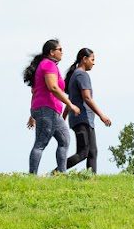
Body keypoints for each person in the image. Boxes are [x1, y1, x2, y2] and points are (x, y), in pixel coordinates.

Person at [23, 39, 80, 174]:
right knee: (40, 143)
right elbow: (53, 87)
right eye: (59, 49)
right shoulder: (48, 65)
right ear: (52, 52)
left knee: (64, 139)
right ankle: (32, 176)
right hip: (47, 110)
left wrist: (33, 115)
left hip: (48, 110)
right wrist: (70, 104)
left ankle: (61, 174)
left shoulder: (45, 65)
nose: (62, 52)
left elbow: (36, 91)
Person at [64, 48, 112, 173]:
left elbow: (71, 99)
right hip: (82, 118)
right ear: (84, 59)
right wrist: (102, 115)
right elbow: (87, 98)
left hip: (82, 119)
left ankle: (91, 180)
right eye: (92, 59)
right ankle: (57, 171)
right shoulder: (82, 74)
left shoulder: (76, 74)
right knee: (83, 152)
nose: (93, 63)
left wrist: (63, 116)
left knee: (92, 152)